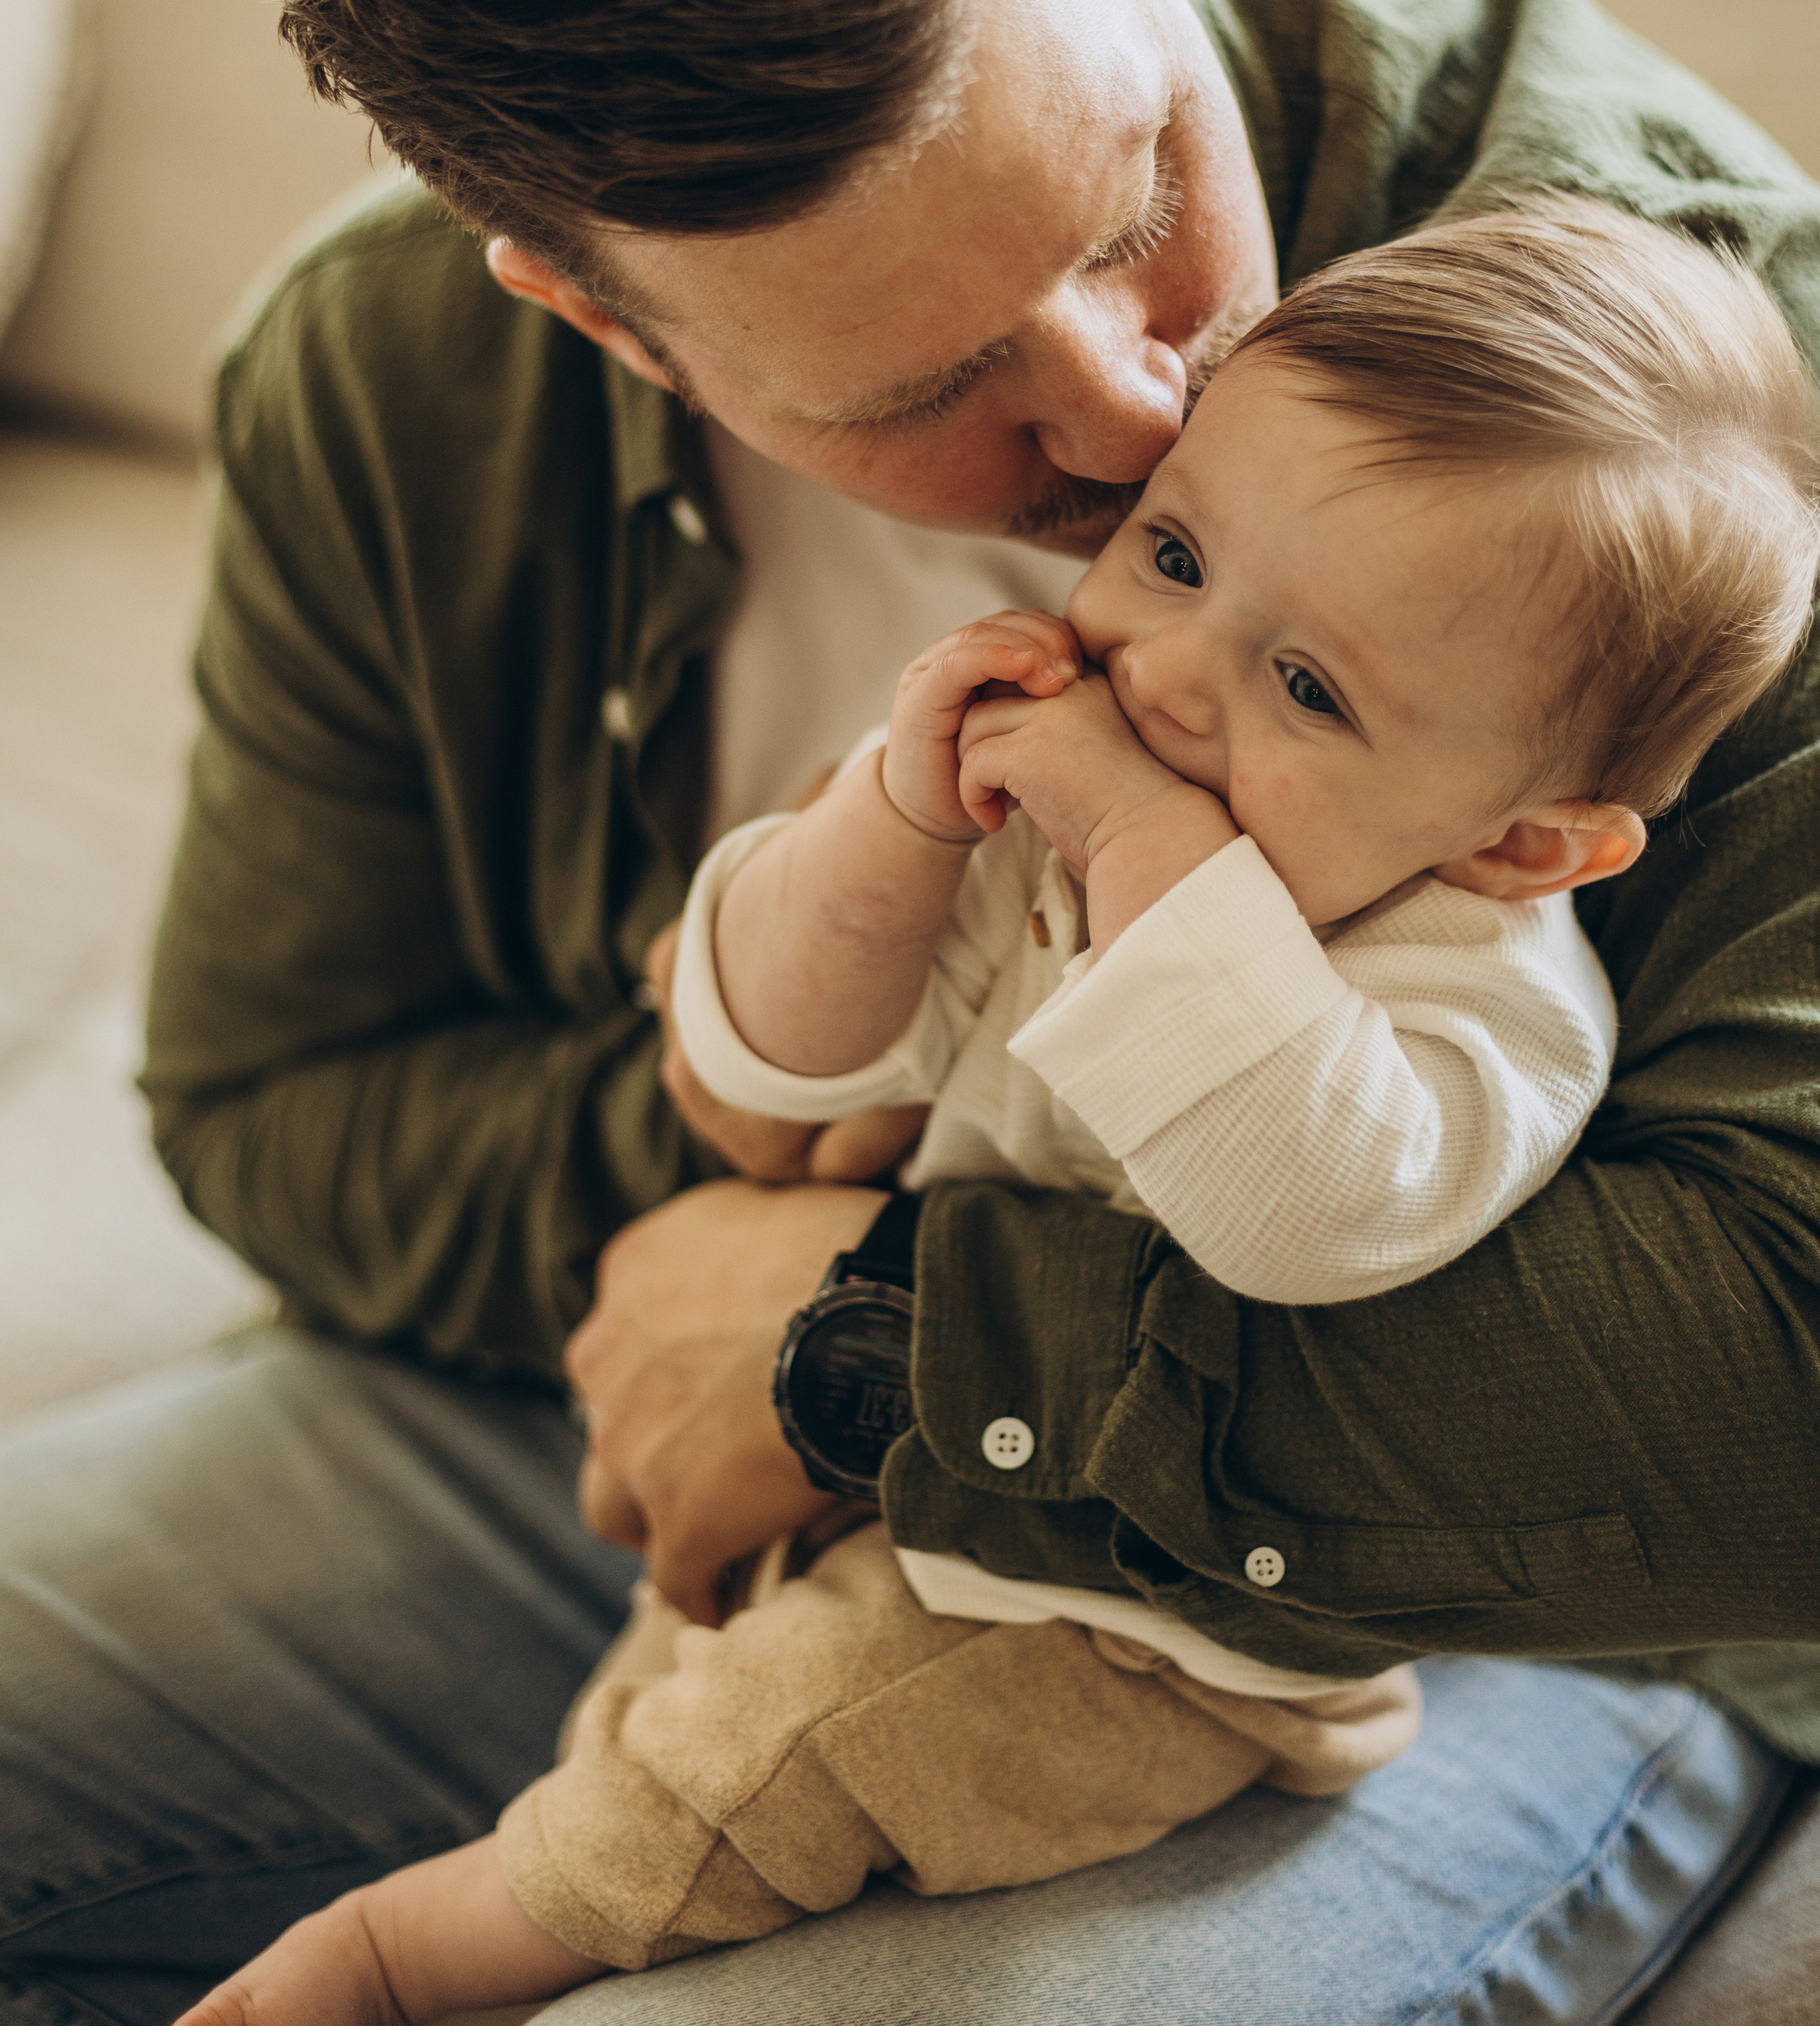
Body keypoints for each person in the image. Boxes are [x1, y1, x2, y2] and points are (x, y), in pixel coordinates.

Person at [5, 0, 1820, 2025]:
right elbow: (276, 1104)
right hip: (616, 1450)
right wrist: (746, 1190)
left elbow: (1772, 1384)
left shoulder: (1685, 406)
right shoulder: (387, 381)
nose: (1142, 408)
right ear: (593, 316)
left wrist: (879, 1338)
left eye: (1140, 195)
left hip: (1418, 1607)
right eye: (930, 391)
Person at [171, 210, 1816, 2019]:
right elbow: (770, 1062)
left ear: (1521, 843)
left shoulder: (1475, 992)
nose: (1166, 673)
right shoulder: (1081, 820)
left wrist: (1138, 846)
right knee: (658, 1742)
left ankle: (386, 1965)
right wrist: (888, 826)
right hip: (886, 1513)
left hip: (1150, 1629)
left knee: (718, 1786)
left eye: (1307, 689)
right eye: (1172, 554)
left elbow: (1301, 1212)